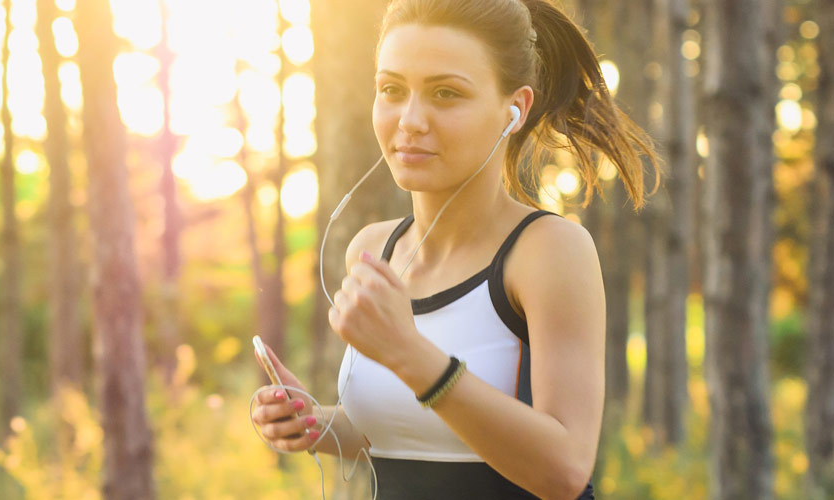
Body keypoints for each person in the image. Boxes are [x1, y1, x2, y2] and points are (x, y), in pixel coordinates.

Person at [251, 0, 661, 498]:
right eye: (392, 90)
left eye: (446, 93)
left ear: (515, 109)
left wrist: (410, 355)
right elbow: (409, 432)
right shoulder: (373, 249)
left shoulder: (547, 251)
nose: (410, 120)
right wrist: (312, 423)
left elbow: (565, 469)